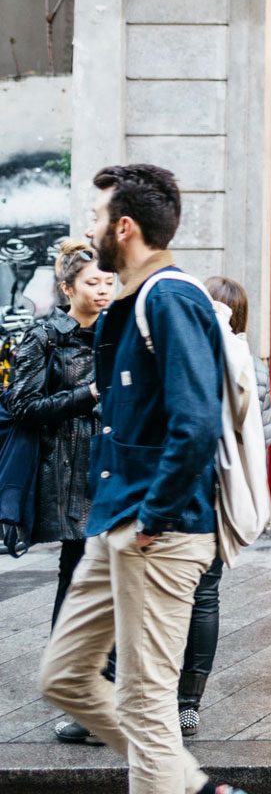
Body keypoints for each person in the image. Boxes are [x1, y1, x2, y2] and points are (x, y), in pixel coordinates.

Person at [39, 164, 262, 794]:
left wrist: (153, 516)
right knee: (64, 677)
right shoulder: (134, 301)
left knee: (145, 706)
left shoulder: (171, 298)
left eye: (96, 216)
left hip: (156, 531)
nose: (88, 227)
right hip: (118, 521)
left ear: (124, 227)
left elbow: (194, 423)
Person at [176, 275, 271, 737]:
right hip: (221, 489)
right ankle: (189, 701)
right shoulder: (251, 362)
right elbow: (265, 436)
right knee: (206, 594)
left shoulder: (190, 353)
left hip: (191, 487)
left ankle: (168, 697)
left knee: (177, 596)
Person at [12, 240, 114, 626]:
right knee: (76, 573)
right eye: (92, 283)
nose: (103, 290)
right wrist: (86, 394)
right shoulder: (44, 336)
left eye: (108, 282)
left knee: (103, 575)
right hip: (68, 473)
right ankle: (70, 669)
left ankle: (93, 667)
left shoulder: (117, 333)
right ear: (68, 288)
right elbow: (23, 407)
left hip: (110, 466)